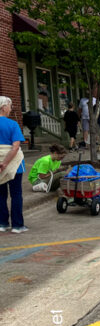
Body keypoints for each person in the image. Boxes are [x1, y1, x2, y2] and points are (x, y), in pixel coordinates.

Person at [0, 96, 27, 233]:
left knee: (1, 194)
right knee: (16, 194)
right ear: (3, 107)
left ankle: (3, 223)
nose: (11, 109)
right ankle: (17, 225)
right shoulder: (12, 124)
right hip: (14, 164)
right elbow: (15, 147)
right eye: (10, 106)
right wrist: (5, 163)